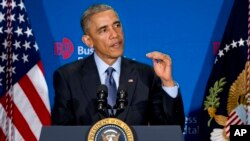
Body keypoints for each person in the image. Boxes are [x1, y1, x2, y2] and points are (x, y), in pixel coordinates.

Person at [51, 4, 185, 128]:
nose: (115, 34)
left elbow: (171, 130)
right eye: (103, 30)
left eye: (117, 25)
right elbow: (61, 133)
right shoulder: (68, 76)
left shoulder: (145, 74)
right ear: (88, 41)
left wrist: (167, 83)